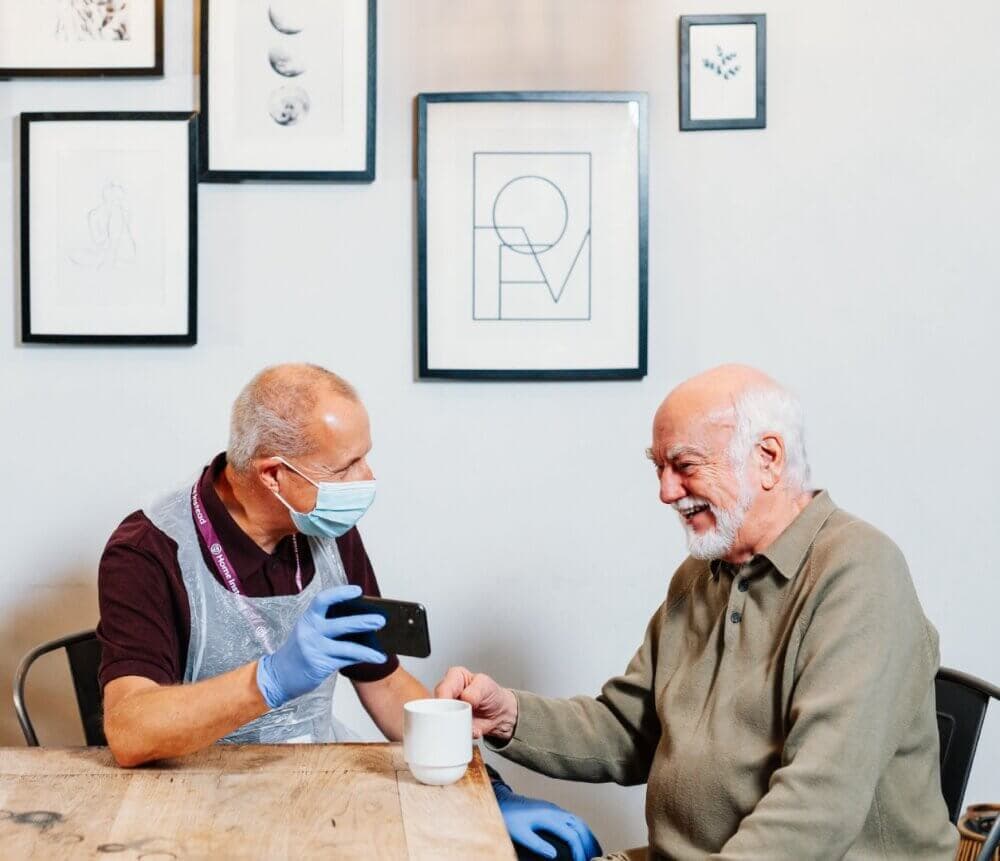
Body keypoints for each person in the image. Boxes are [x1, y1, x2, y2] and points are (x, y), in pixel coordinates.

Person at [436, 365, 959, 860]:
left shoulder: (860, 573)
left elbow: (816, 807)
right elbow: (629, 729)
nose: (665, 491)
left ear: (769, 458)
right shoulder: (702, 574)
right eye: (658, 468)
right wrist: (509, 715)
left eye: (684, 465)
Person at [98, 363, 599, 860]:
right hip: (193, 801)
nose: (367, 479)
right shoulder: (149, 550)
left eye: (365, 459)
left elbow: (383, 684)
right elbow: (129, 732)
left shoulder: (324, 528)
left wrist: (486, 791)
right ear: (273, 474)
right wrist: (269, 680)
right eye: (345, 468)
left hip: (319, 786)